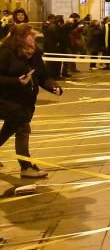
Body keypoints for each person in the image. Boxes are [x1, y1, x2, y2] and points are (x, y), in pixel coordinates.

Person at [0, 24, 64, 179]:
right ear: (18, 42)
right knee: (22, 127)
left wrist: (53, 86)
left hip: (25, 100)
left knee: (10, 127)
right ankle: (26, 167)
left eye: (33, 46)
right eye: (27, 47)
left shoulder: (35, 55)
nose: (31, 50)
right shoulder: (5, 54)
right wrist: (16, 81)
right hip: (6, 99)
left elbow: (42, 75)